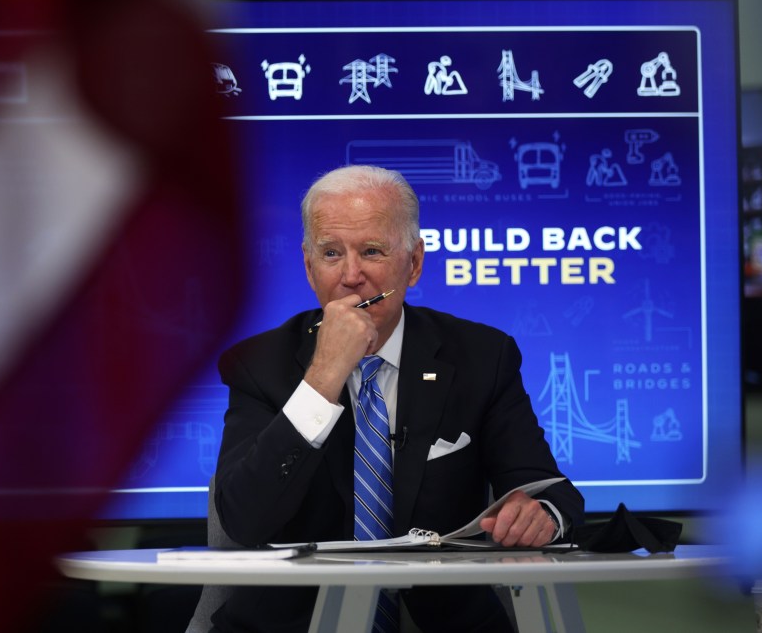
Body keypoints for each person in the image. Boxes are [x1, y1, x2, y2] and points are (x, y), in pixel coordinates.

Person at [210, 165, 584, 632]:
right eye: (331, 253)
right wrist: (323, 377)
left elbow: (551, 492)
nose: (351, 275)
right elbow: (245, 519)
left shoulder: (481, 357)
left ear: (414, 262)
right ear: (308, 267)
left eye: (372, 251)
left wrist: (540, 516)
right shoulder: (258, 364)